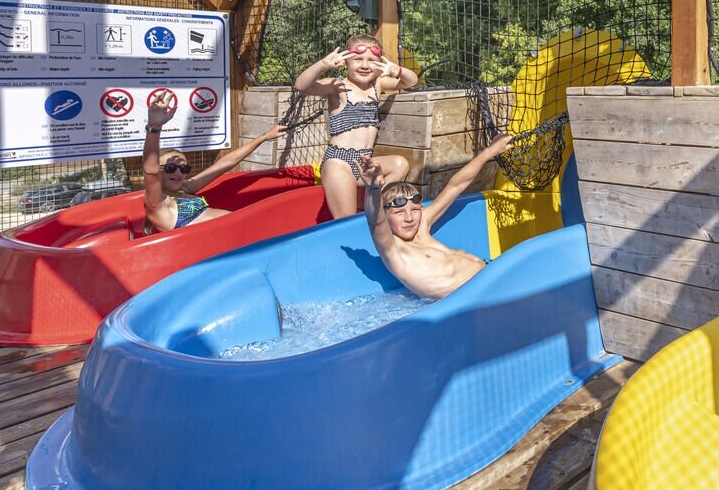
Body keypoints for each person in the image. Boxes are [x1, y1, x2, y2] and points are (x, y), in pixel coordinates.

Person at [356, 135, 513, 299]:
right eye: (399, 212)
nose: (409, 218)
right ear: (385, 215)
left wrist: (489, 152)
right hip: (469, 298)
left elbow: (456, 185)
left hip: (490, 279)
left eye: (415, 210)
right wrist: (373, 189)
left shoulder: (421, 226)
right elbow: (374, 219)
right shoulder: (393, 249)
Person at [293, 34, 418, 218]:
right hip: (339, 162)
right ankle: (361, 218)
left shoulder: (378, 84)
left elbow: (411, 81)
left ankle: (373, 208)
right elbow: (301, 86)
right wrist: (323, 65)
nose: (365, 65)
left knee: (400, 164)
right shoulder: (338, 86)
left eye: (372, 61)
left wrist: (396, 70)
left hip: (364, 162)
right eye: (358, 59)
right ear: (345, 63)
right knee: (346, 220)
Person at [142, 91, 287, 234]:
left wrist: (264, 137)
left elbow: (224, 164)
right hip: (219, 251)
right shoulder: (159, 205)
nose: (178, 172)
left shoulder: (186, 188)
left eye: (183, 168)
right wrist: (154, 127)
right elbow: (151, 171)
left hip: (242, 238)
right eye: (170, 167)